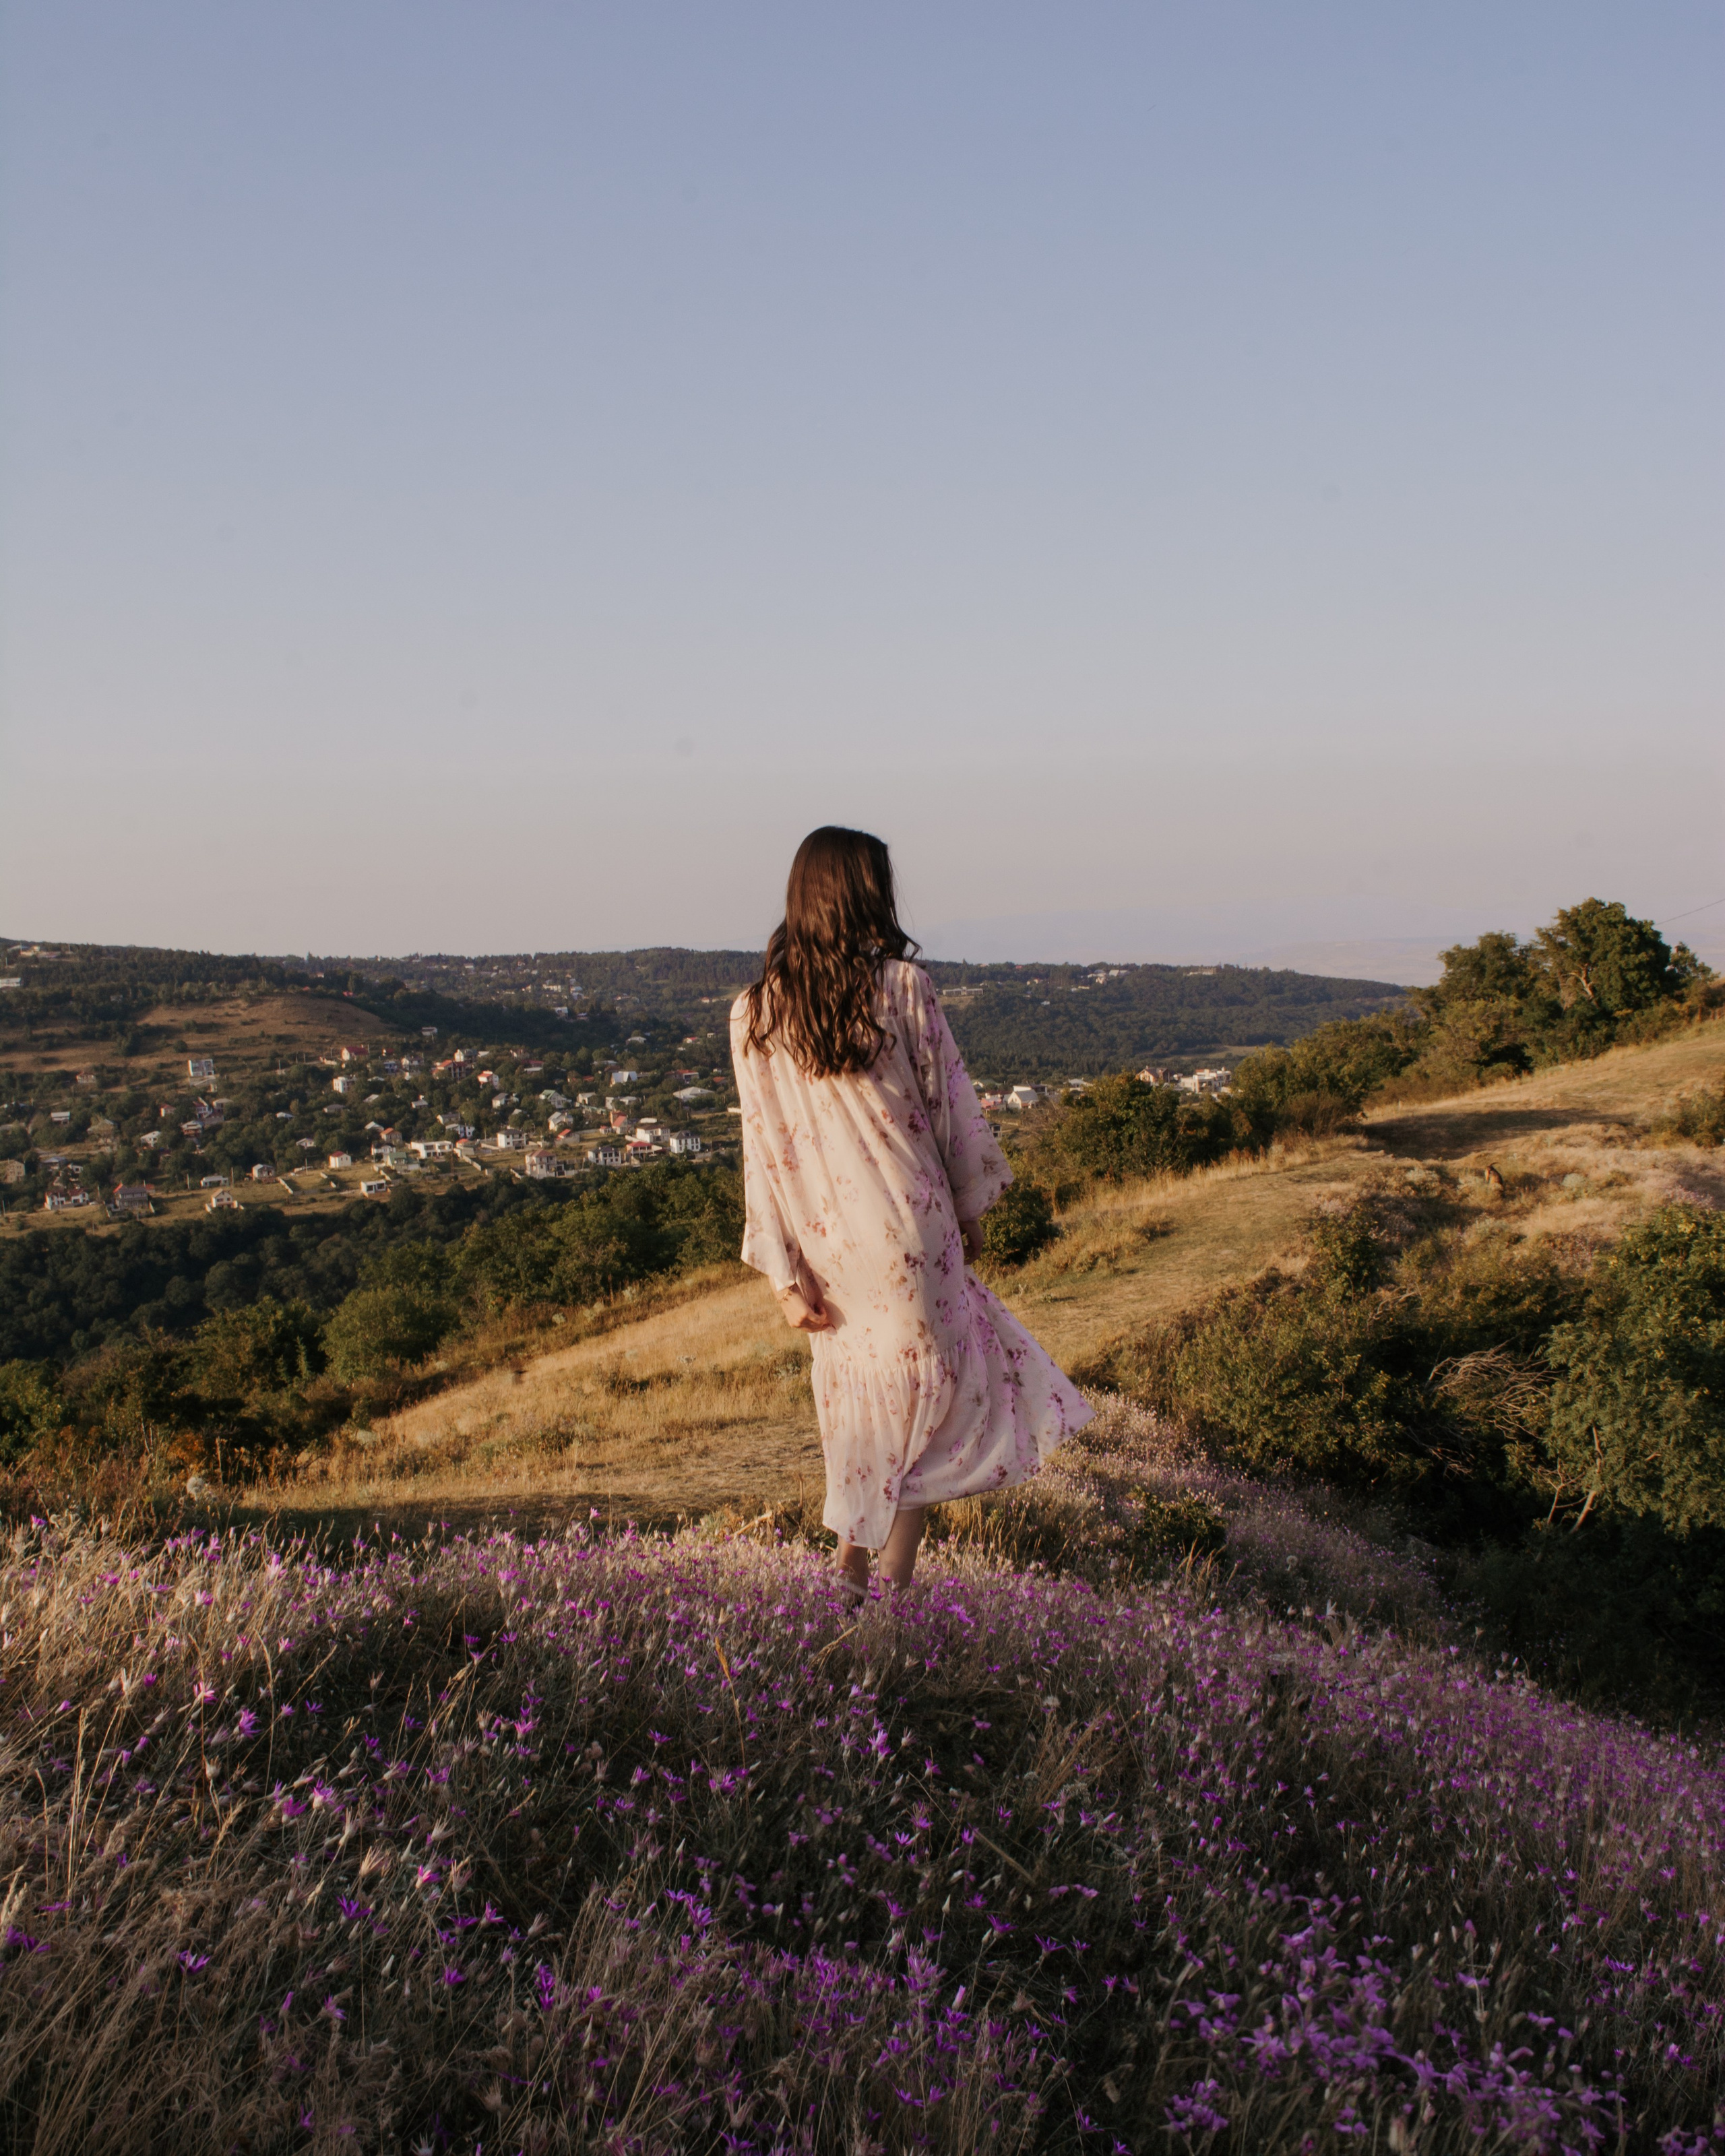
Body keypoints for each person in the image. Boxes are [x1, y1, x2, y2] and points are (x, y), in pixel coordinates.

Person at [730, 825, 1093, 1604]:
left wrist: (783, 1280)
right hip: (912, 1227)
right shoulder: (901, 988)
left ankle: (848, 1585)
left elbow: (763, 1153)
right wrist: (970, 1213)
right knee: (928, 1415)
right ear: (862, 892)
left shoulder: (752, 1013)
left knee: (862, 1414)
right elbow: (951, 1110)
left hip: (831, 1246)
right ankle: (884, 1605)